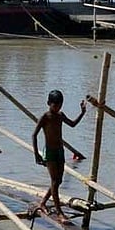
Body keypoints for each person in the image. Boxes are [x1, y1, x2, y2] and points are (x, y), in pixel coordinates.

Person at [32, 90, 86, 221]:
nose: (57, 108)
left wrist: (82, 113)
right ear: (48, 103)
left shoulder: (60, 115)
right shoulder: (45, 117)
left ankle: (43, 202)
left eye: (59, 105)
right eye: (55, 106)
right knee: (55, 181)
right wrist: (37, 155)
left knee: (58, 181)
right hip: (50, 152)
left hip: (59, 151)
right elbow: (34, 135)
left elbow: (72, 124)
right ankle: (59, 212)